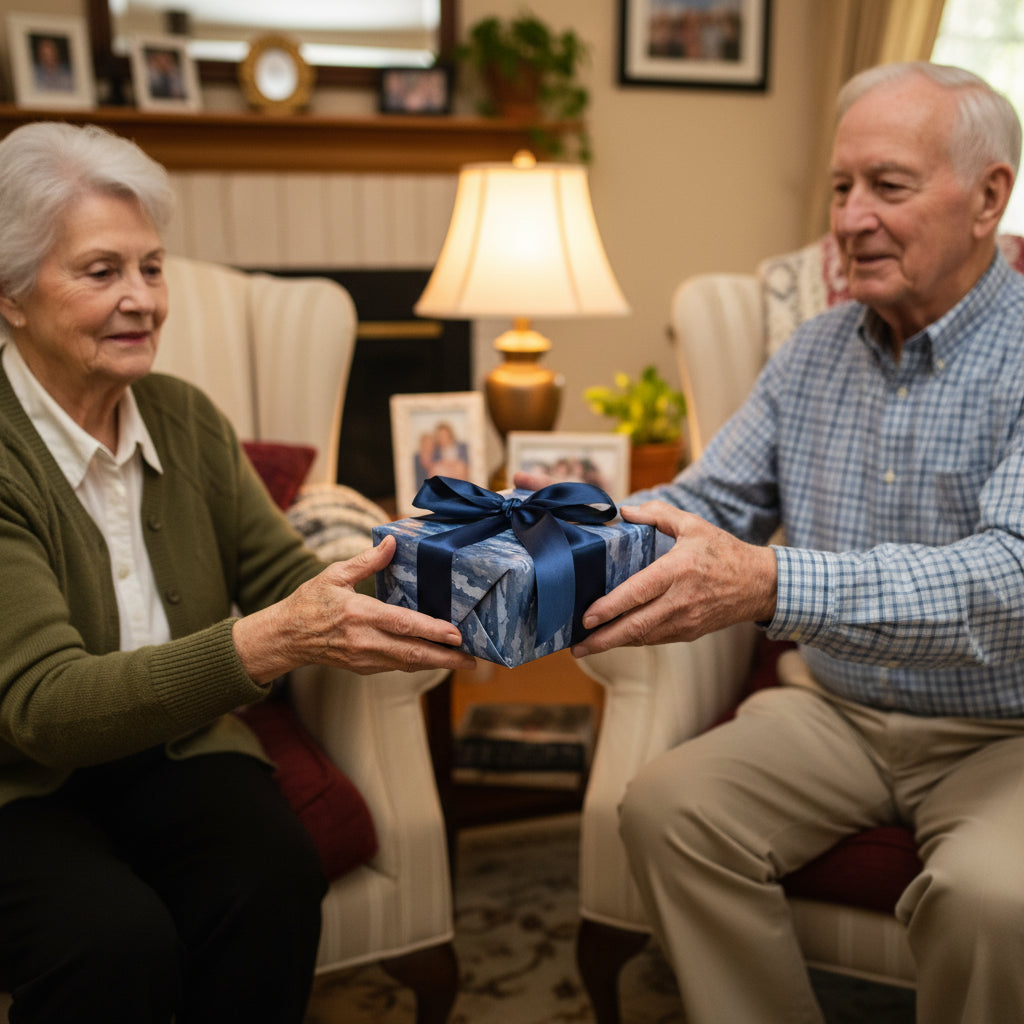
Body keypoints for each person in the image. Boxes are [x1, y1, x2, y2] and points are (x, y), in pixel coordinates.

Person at [520, 61, 1024, 1023]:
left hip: (1007, 729)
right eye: (840, 187)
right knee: (666, 809)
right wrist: (543, 543)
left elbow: (1011, 577)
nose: (850, 217)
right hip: (833, 712)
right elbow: (710, 502)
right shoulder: (814, 350)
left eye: (888, 185)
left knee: (993, 898)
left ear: (988, 197)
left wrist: (770, 582)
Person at [0, 121, 474, 1024]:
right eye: (102, 273)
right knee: (110, 944)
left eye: (152, 267)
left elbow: (285, 575)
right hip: (20, 781)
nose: (142, 300)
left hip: (179, 748)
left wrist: (453, 577)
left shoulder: (183, 417)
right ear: (12, 295)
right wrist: (261, 644)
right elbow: (43, 708)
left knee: (271, 879)